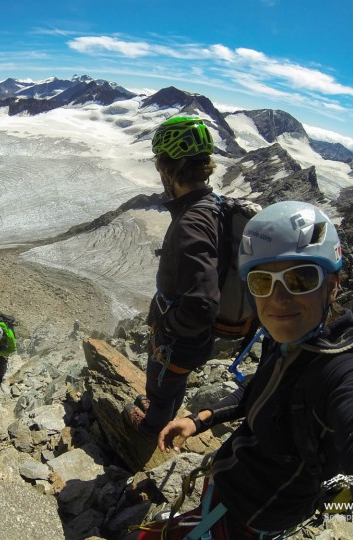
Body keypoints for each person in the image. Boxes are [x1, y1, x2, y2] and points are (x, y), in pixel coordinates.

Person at [155, 200, 353, 539]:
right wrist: (200, 418)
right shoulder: (291, 338)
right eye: (262, 281)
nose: (278, 297)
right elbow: (262, 387)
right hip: (230, 495)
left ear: (333, 284)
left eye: (300, 278)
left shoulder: (346, 366)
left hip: (251, 519)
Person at [122, 116, 223, 439]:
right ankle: (163, 409)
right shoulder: (211, 207)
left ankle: (151, 427)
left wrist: (168, 326)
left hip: (179, 342)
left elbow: (202, 303)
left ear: (169, 169)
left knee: (162, 383)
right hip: (197, 341)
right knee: (172, 383)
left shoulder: (191, 222)